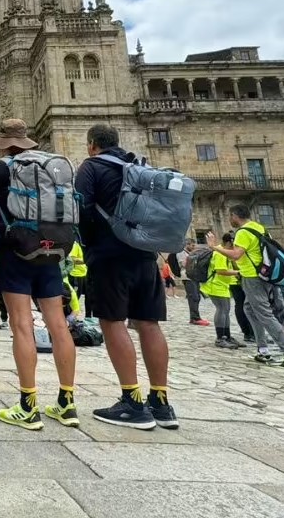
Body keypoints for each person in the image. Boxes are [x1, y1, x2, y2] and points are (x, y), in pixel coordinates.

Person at [75, 124, 176, 430]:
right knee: (148, 324)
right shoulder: (138, 167)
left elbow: (80, 208)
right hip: (145, 256)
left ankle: (132, 402)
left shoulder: (91, 168)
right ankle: (160, 402)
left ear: (93, 145)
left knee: (113, 322)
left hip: (109, 257)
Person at [0, 119, 77, 431]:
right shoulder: (51, 166)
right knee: (59, 326)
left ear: (3, 143)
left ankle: (28, 405)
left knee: (22, 327)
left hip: (15, 253)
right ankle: (67, 403)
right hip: (50, 253)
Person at [205, 205, 284, 368]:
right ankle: (263, 350)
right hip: (266, 275)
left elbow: (236, 255)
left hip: (253, 277)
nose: (230, 220)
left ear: (235, 216)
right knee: (249, 309)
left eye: (230, 217)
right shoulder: (260, 228)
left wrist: (214, 247)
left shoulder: (243, 232)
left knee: (264, 314)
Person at [199, 235, 241, 349]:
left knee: (226, 310)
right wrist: (237, 272)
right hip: (215, 285)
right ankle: (220, 338)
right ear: (229, 243)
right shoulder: (220, 254)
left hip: (222, 285)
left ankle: (227, 336)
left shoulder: (222, 252)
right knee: (222, 310)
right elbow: (220, 271)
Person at [224, 233, 255, 343]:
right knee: (243, 306)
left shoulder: (229, 251)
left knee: (243, 306)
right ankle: (248, 332)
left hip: (237, 280)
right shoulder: (231, 252)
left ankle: (250, 332)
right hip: (237, 281)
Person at [181, 241, 209, 326]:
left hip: (193, 276)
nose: (194, 247)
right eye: (192, 245)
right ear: (187, 245)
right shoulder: (181, 253)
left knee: (196, 297)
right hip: (187, 277)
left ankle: (195, 317)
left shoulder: (189, 253)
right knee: (193, 297)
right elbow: (183, 264)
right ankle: (194, 318)